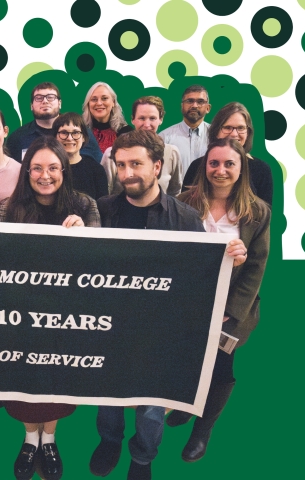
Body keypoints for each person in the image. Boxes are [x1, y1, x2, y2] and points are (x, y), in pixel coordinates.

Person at [89, 130, 245, 480]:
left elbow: (202, 276)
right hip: (108, 326)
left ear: (158, 166)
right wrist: (73, 228)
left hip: (159, 334)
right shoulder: (103, 210)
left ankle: (142, 459)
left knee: (151, 408)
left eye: (137, 164)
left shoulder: (186, 218)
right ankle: (110, 440)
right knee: (107, 397)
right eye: (122, 165)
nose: (128, 172)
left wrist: (229, 259)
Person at [0, 136, 100, 480]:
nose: (45, 175)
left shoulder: (84, 205)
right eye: (37, 168)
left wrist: (85, 234)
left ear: (64, 170)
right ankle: (30, 438)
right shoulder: (7, 209)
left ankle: (50, 438)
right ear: (26, 172)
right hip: (19, 315)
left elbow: (100, 259)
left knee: (56, 380)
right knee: (25, 381)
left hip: (66, 317)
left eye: (53, 168)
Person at [172, 138, 270, 462]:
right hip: (186, 303)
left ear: (241, 169)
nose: (221, 170)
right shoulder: (182, 202)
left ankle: (203, 430)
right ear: (204, 166)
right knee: (186, 362)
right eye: (214, 163)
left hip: (230, 309)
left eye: (230, 164)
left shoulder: (257, 212)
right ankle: (186, 406)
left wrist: (230, 311)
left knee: (219, 370)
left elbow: (256, 267)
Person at [182, 102, 273, 205]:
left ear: (248, 132)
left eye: (240, 128)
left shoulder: (262, 169)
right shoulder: (196, 166)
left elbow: (264, 215)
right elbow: (183, 210)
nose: (234, 134)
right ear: (216, 130)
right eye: (227, 128)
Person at [101, 96, 183, 196]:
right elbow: (104, 193)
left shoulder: (172, 153)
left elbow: (174, 193)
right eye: (142, 118)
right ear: (132, 119)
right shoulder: (111, 153)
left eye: (152, 118)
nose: (147, 124)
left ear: (161, 119)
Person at [6, 82, 103, 163]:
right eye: (39, 98)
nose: (45, 101)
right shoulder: (17, 138)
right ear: (31, 105)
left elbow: (98, 164)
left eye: (50, 97)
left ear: (59, 103)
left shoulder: (81, 131)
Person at [52, 112, 108, 200]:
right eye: (64, 132)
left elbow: (102, 207)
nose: (70, 138)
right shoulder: (48, 169)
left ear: (84, 137)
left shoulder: (96, 170)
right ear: (55, 137)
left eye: (75, 133)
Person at [158, 85, 211, 174]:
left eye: (200, 101)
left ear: (208, 108)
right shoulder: (164, 137)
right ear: (182, 106)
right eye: (189, 101)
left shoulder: (216, 134)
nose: (194, 105)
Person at [82, 81, 134, 154]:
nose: (99, 103)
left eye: (104, 98)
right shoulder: (80, 131)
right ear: (88, 104)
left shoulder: (127, 132)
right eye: (94, 99)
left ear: (113, 102)